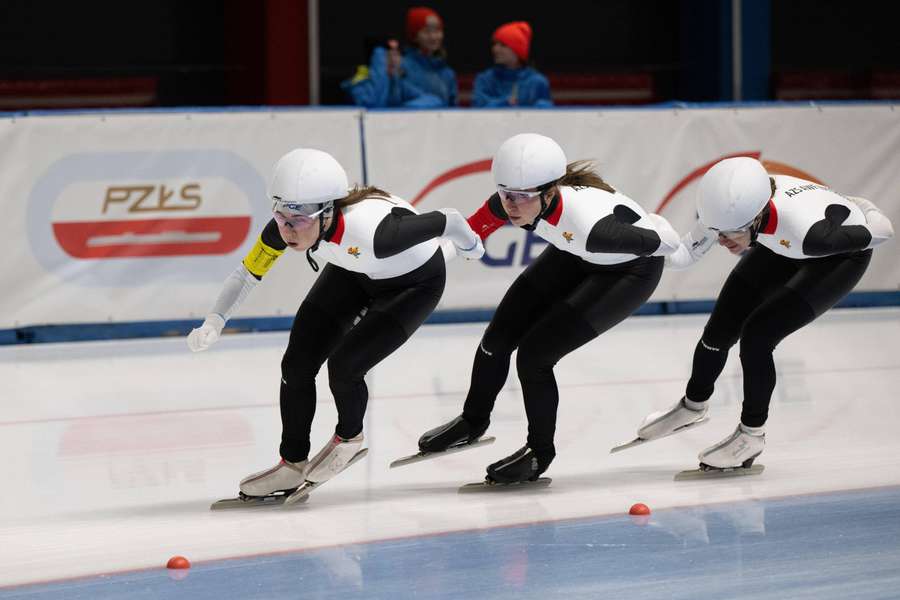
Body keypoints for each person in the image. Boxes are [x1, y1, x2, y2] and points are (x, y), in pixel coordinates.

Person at [188, 148, 483, 504]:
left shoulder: (376, 233)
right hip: (353, 272)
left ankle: (349, 438)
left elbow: (448, 220)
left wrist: (472, 247)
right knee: (296, 365)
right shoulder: (290, 224)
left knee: (344, 367)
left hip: (413, 285)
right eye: (281, 217)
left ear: (327, 213)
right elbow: (247, 273)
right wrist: (215, 321)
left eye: (298, 221)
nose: (287, 230)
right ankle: (292, 462)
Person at [415, 133, 681, 485]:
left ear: (550, 192)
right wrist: (430, 263)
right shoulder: (514, 200)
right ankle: (473, 420)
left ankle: (539, 453)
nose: (510, 205)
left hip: (629, 271)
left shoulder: (590, 226)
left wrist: (659, 226)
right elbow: (470, 234)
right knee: (497, 337)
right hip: (575, 253)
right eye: (504, 193)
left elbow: (667, 244)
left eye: (521, 198)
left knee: (534, 356)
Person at [628, 157, 894, 472]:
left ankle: (751, 435)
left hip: (836, 257)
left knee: (757, 337)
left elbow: (884, 229)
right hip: (779, 243)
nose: (722, 240)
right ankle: (692, 405)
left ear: (756, 218)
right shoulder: (729, 209)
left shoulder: (808, 233)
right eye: (717, 232)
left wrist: (864, 206)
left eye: (730, 234)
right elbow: (685, 254)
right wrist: (646, 245)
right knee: (721, 326)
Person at [342, 7, 457, 108]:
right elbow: (372, 105)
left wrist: (403, 112)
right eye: (427, 32)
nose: (433, 37)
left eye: (396, 54)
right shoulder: (361, 83)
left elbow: (435, 101)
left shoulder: (446, 73)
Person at [473, 21, 552, 108]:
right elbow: (478, 111)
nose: (495, 49)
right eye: (494, 44)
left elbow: (547, 115)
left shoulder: (538, 82)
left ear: (517, 50)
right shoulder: (485, 80)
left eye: (503, 45)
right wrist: (505, 103)